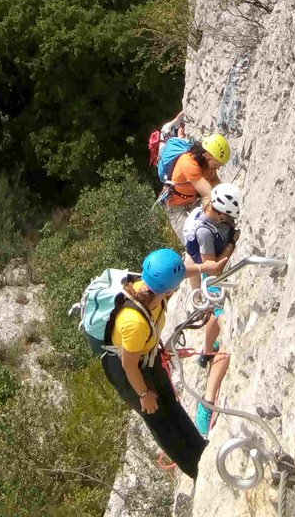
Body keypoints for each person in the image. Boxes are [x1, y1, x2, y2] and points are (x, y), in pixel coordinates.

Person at [100, 248, 207, 479]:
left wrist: (205, 268)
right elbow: (129, 366)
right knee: (159, 418)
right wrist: (143, 393)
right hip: (128, 372)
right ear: (170, 289)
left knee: (170, 402)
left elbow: (175, 274)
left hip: (147, 356)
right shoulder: (134, 322)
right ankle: (194, 468)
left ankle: (201, 449)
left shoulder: (151, 287)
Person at [182, 183, 242, 433]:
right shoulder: (206, 233)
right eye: (227, 218)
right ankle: (206, 406)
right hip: (213, 280)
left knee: (216, 323)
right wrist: (232, 244)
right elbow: (213, 267)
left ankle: (207, 352)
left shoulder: (210, 211)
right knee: (225, 345)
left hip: (213, 280)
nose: (229, 222)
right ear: (218, 212)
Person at [162, 133, 231, 242]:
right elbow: (209, 194)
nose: (219, 167)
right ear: (208, 155)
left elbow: (214, 182)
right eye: (218, 163)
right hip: (176, 208)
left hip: (193, 201)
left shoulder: (208, 163)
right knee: (192, 242)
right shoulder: (188, 163)